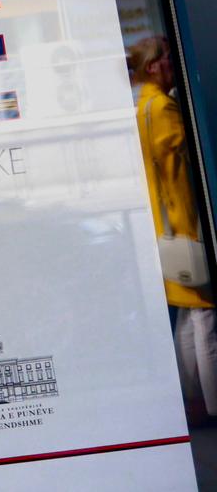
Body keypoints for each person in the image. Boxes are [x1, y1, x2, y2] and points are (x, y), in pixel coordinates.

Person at [130, 35, 217, 423]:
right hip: (185, 225)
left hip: (166, 228)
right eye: (167, 56)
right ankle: (213, 404)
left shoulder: (145, 106)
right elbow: (190, 156)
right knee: (206, 317)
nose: (173, 61)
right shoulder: (164, 108)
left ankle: (192, 399)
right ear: (153, 66)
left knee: (186, 317)